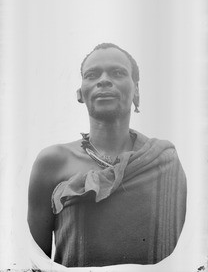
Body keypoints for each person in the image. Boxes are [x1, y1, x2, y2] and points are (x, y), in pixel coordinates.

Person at [27, 43, 187, 267]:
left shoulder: (163, 161)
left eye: (118, 73)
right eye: (92, 75)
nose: (103, 80)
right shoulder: (52, 162)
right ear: (81, 93)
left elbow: (174, 258)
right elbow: (37, 263)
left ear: (136, 90)